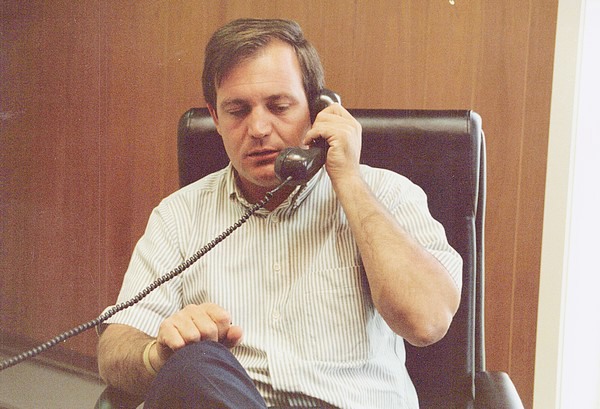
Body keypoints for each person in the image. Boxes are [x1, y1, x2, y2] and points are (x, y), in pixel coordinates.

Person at [97, 18, 462, 409]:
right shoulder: (179, 216)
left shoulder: (388, 194)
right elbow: (115, 347)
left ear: (318, 109)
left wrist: (349, 181)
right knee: (193, 365)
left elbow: (426, 322)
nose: (258, 128)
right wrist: (158, 354)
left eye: (279, 106)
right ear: (215, 117)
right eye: (237, 110)